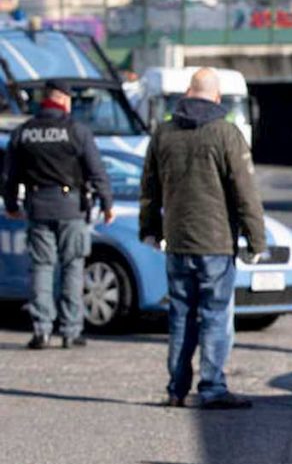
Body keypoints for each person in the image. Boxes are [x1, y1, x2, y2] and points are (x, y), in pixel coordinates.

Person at [139, 68, 265, 410]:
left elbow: (149, 188)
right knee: (215, 315)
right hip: (215, 242)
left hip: (177, 243)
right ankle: (211, 388)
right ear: (217, 98)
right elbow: (245, 192)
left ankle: (177, 389)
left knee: (180, 315)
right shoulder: (226, 134)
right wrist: (256, 240)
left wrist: (149, 229)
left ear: (186, 94)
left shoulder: (163, 133)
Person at [3, 79, 114, 349]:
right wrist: (107, 203)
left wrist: (11, 206)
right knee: (73, 266)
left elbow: (9, 176)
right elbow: (96, 170)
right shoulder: (76, 131)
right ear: (63, 99)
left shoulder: (24, 132)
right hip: (71, 207)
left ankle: (41, 329)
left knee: (41, 267)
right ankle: (70, 331)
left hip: (38, 205)